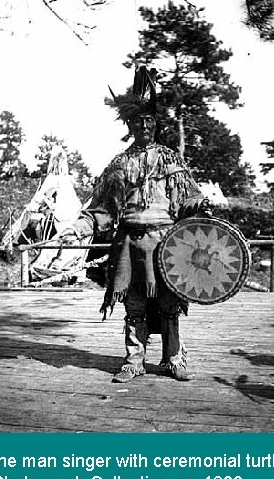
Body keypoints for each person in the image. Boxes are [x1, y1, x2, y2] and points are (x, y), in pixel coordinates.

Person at [61, 66, 212, 383]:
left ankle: (173, 359)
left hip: (167, 244)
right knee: (135, 306)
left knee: (170, 306)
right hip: (129, 246)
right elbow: (101, 209)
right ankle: (133, 362)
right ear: (129, 125)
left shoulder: (169, 159)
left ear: (156, 124)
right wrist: (77, 228)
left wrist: (198, 204)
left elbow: (187, 197)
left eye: (150, 121)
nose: (145, 126)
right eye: (138, 121)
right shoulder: (118, 164)